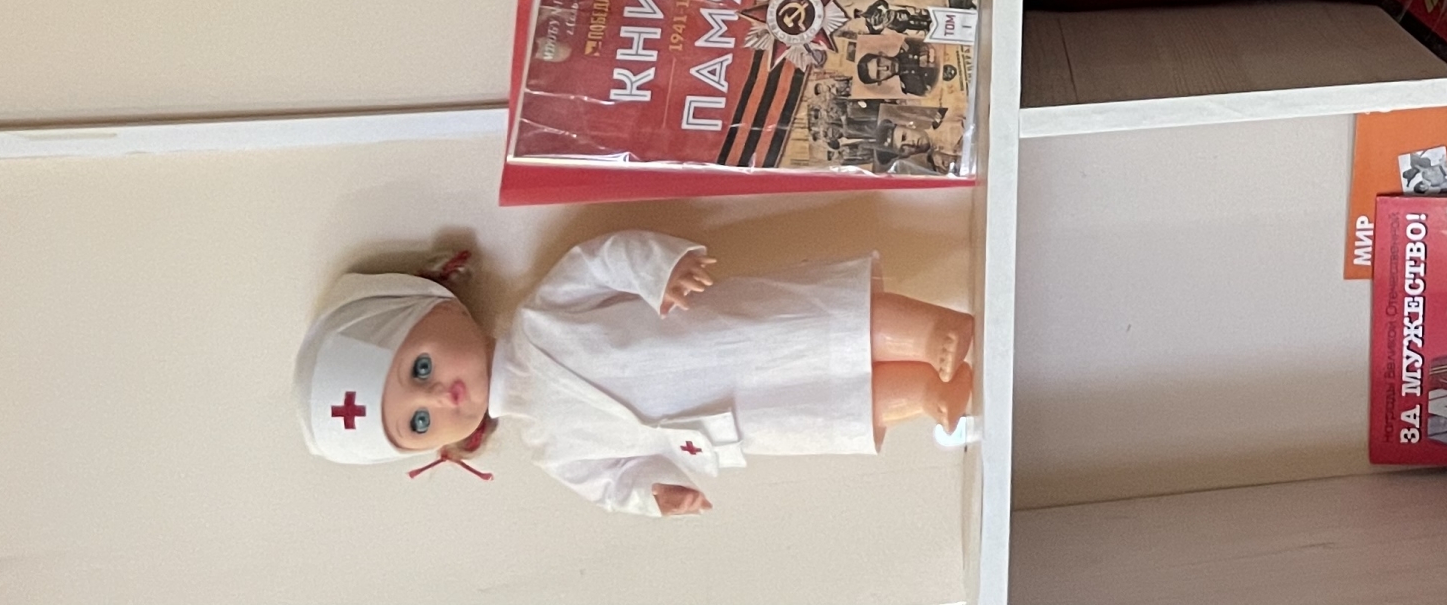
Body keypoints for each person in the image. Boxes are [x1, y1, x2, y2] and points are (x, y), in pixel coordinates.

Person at [296, 237, 973, 516]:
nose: (437, 397)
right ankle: (925, 393)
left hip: (714, 335)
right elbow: (609, 482)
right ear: (436, 447)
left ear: (437, 305)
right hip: (719, 424)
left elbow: (597, 262)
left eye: (419, 367)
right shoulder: (548, 447)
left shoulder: (541, 319)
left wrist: (659, 270)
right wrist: (655, 494)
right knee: (823, 410)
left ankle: (930, 332)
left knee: (817, 325)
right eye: (419, 421)